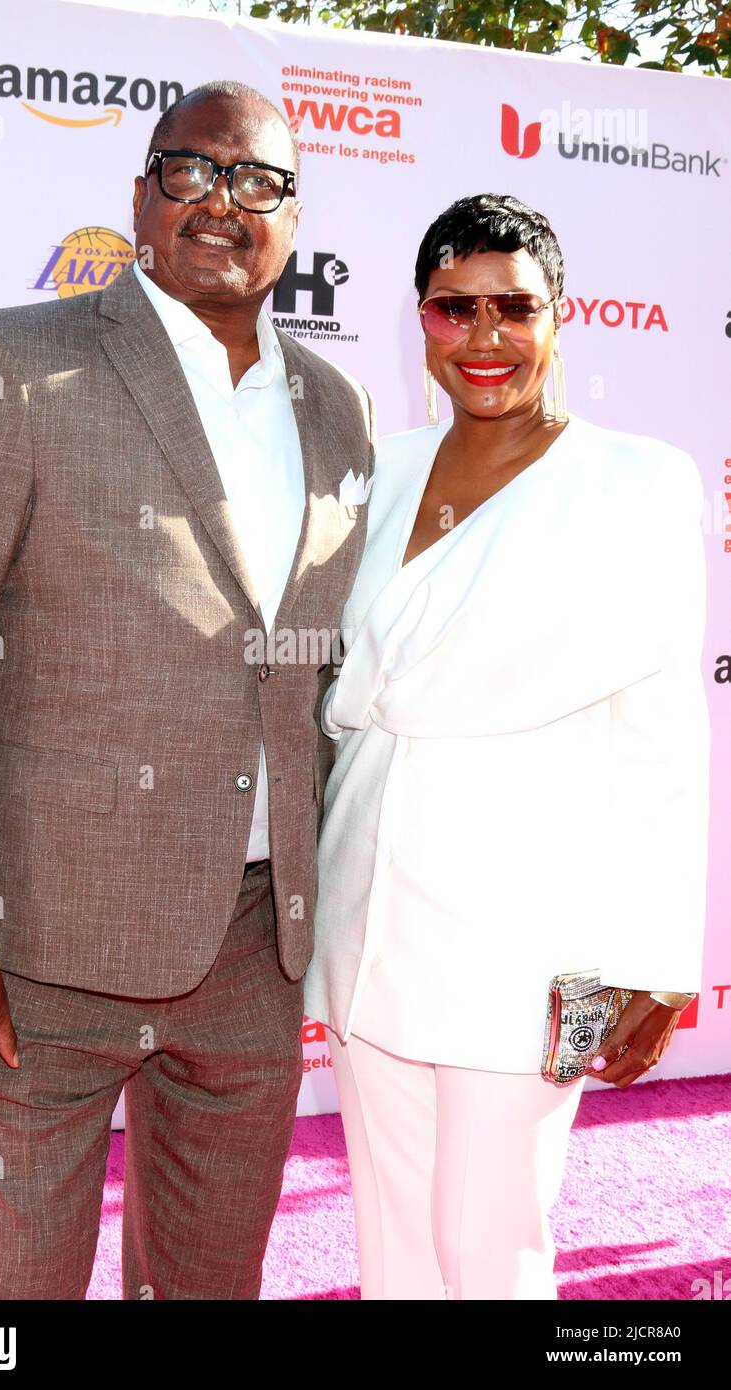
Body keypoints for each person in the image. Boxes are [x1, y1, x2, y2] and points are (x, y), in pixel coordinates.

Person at [0, 80, 375, 1300]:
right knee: (22, 1293)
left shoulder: (339, 410)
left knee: (210, 1284)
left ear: (296, 219)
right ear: (140, 195)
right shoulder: (11, 362)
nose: (221, 201)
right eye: (189, 170)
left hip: (256, 949)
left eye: (258, 180)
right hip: (41, 947)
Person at [303, 193, 709, 1301]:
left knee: (486, 1245)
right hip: (365, 912)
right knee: (390, 1242)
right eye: (453, 309)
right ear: (419, 320)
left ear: (558, 315)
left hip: (523, 937)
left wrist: (658, 958)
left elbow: (666, 725)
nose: (484, 339)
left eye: (513, 308)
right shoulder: (377, 474)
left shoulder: (635, 481)